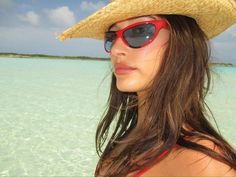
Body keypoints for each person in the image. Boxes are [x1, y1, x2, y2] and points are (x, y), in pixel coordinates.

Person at [58, 0, 236, 176]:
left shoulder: (201, 163)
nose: (116, 50)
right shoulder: (127, 141)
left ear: (182, 41)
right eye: (111, 38)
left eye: (139, 31)